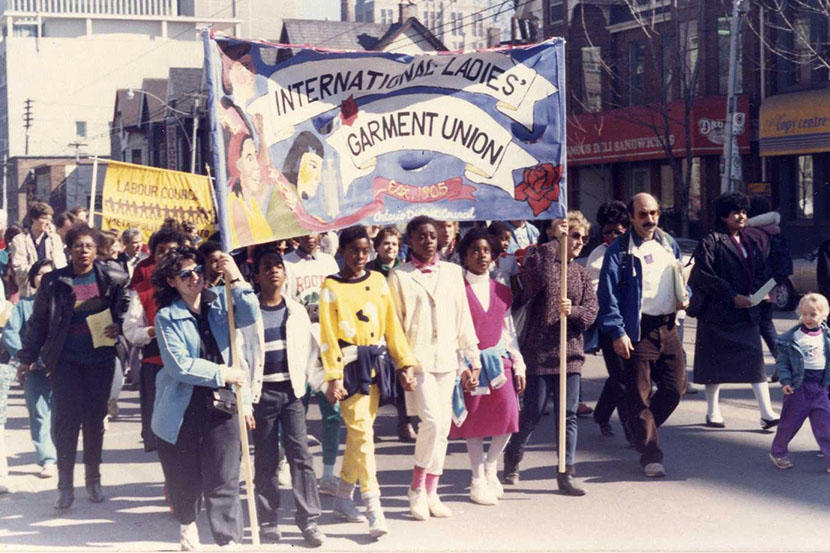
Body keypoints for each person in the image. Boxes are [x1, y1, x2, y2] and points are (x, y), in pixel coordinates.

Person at [17, 223, 129, 509]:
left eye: (89, 246)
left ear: (96, 250)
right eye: (77, 245)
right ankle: (64, 486)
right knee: (66, 424)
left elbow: (125, 315)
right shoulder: (54, 282)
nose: (83, 251)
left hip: (100, 360)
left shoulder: (112, 278)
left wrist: (119, 327)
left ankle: (93, 479)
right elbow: (39, 322)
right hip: (65, 361)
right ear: (67, 250)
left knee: (94, 422)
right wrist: (27, 357)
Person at [151, 247, 255, 550]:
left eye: (197, 269)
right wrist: (223, 373)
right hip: (181, 406)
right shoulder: (166, 317)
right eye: (185, 274)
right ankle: (187, 524)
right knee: (184, 476)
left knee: (224, 474)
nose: (195, 277)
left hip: (222, 402)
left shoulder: (223, 303)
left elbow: (250, 314)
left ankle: (228, 541)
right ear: (172, 281)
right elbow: (179, 365)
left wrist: (235, 277)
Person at [318, 225, 418, 538]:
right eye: (354, 251)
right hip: (348, 369)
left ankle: (343, 498)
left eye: (365, 251)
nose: (360, 257)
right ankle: (374, 506)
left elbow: (392, 325)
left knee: (360, 435)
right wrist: (333, 377)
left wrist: (404, 362)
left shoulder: (378, 281)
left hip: (377, 366)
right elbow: (327, 336)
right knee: (362, 433)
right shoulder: (330, 285)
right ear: (342, 251)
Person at [388, 216, 480, 521]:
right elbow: (395, 325)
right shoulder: (399, 276)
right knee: (432, 422)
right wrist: (403, 363)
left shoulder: (453, 273)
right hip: (418, 360)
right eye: (421, 237)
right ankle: (415, 488)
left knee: (444, 427)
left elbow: (462, 317)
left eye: (432, 235)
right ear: (409, 242)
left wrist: (471, 360)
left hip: (447, 359)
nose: (428, 241)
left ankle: (432, 491)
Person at [504, 212, 597, 495]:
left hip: (570, 354)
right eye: (573, 235)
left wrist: (575, 311)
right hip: (540, 351)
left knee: (567, 415)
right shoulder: (541, 259)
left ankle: (565, 471)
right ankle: (513, 456)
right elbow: (534, 283)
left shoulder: (581, 274)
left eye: (583, 237)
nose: (579, 242)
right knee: (532, 411)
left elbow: (592, 311)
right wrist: (552, 242)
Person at [597, 193, 686, 477]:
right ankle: (650, 454)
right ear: (632, 218)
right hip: (638, 331)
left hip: (668, 326)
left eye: (654, 213)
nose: (650, 220)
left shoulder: (668, 243)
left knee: (675, 388)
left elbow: (681, 279)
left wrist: (686, 296)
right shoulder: (620, 251)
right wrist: (617, 332)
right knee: (639, 395)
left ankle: (640, 430)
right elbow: (607, 296)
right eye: (643, 215)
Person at [244, 244, 326, 546]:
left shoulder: (297, 312)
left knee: (301, 457)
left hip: (291, 394)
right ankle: (267, 520)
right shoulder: (247, 313)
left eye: (277, 265)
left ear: (285, 272)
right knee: (265, 459)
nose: (273, 270)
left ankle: (309, 521)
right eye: (266, 266)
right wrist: (244, 402)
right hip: (261, 394)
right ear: (258, 275)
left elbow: (309, 355)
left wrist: (324, 384)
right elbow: (241, 357)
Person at [689, 192, 779, 430]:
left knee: (755, 363)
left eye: (744, 211)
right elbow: (703, 276)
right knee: (713, 366)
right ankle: (712, 412)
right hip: (717, 313)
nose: (742, 216)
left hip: (746, 312)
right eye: (736, 212)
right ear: (723, 216)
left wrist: (761, 291)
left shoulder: (749, 240)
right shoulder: (711, 241)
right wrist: (731, 296)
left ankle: (767, 413)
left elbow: (760, 270)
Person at [449, 228, 526, 504]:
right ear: (465, 256)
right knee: (475, 422)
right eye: (475, 251)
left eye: (486, 251)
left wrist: (519, 363)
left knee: (508, 414)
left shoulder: (503, 291)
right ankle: (477, 478)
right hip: (470, 363)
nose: (481, 256)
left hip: (499, 360)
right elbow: (453, 332)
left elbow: (509, 331)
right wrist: (462, 368)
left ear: (494, 256)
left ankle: (492, 464)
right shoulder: (457, 291)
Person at [282, 233, 343, 495]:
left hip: (326, 346)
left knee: (332, 411)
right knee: (296, 408)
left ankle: (328, 472)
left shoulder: (330, 263)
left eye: (314, 231)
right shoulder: (286, 264)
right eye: (304, 231)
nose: (310, 236)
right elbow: (283, 304)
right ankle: (285, 462)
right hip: (298, 345)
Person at [123, 227, 186, 454]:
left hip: (189, 369)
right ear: (153, 255)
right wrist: (153, 331)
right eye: (161, 251)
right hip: (156, 366)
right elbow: (130, 330)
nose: (167, 256)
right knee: (161, 433)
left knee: (187, 432)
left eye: (173, 251)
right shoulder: (142, 291)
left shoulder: (193, 286)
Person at [3, 260, 57, 479]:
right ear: (33, 278)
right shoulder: (23, 306)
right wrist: (24, 358)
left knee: (62, 413)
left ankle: (63, 454)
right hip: (35, 369)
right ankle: (48, 459)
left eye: (49, 274)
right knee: (40, 414)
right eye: (40, 274)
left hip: (63, 367)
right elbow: (9, 333)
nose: (44, 278)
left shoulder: (66, 304)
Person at [768, 293, 830, 471]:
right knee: (789, 424)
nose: (808, 318)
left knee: (825, 426)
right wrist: (785, 381)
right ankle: (778, 452)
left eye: (813, 314)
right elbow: (783, 363)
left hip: (820, 387)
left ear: (824, 315)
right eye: (804, 314)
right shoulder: (792, 337)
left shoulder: (826, 336)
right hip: (798, 387)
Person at [366, 226, 416, 443]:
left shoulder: (405, 271)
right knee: (375, 379)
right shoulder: (369, 271)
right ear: (377, 247)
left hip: (401, 331)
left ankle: (405, 423)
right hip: (375, 330)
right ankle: (370, 424)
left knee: (402, 378)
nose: (390, 248)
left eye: (394, 244)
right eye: (386, 243)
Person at [586, 201, 631, 438]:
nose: (612, 235)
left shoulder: (635, 249)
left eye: (618, 230)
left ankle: (602, 413)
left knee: (625, 376)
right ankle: (632, 431)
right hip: (609, 325)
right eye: (607, 231)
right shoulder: (597, 256)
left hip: (635, 322)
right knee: (622, 377)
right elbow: (595, 291)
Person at [745, 195, 792, 360]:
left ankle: (760, 364)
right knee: (766, 323)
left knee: (751, 325)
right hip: (770, 284)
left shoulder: (751, 232)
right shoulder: (773, 229)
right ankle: (783, 361)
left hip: (756, 285)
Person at [9, 201, 67, 295]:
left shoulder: (55, 239)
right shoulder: (19, 240)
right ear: (33, 219)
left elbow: (61, 264)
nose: (48, 222)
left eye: (50, 219)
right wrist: (40, 273)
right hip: (29, 291)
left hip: (53, 289)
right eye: (44, 218)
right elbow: (19, 268)